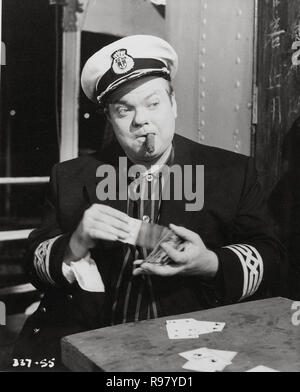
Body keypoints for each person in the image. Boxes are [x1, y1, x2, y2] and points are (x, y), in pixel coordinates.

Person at [13, 35, 283, 370]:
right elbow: (33, 263)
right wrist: (74, 244)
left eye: (153, 103)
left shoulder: (231, 171)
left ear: (174, 105)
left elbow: (270, 254)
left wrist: (211, 263)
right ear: (110, 120)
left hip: (193, 348)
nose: (141, 120)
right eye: (124, 109)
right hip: (90, 340)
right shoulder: (70, 176)